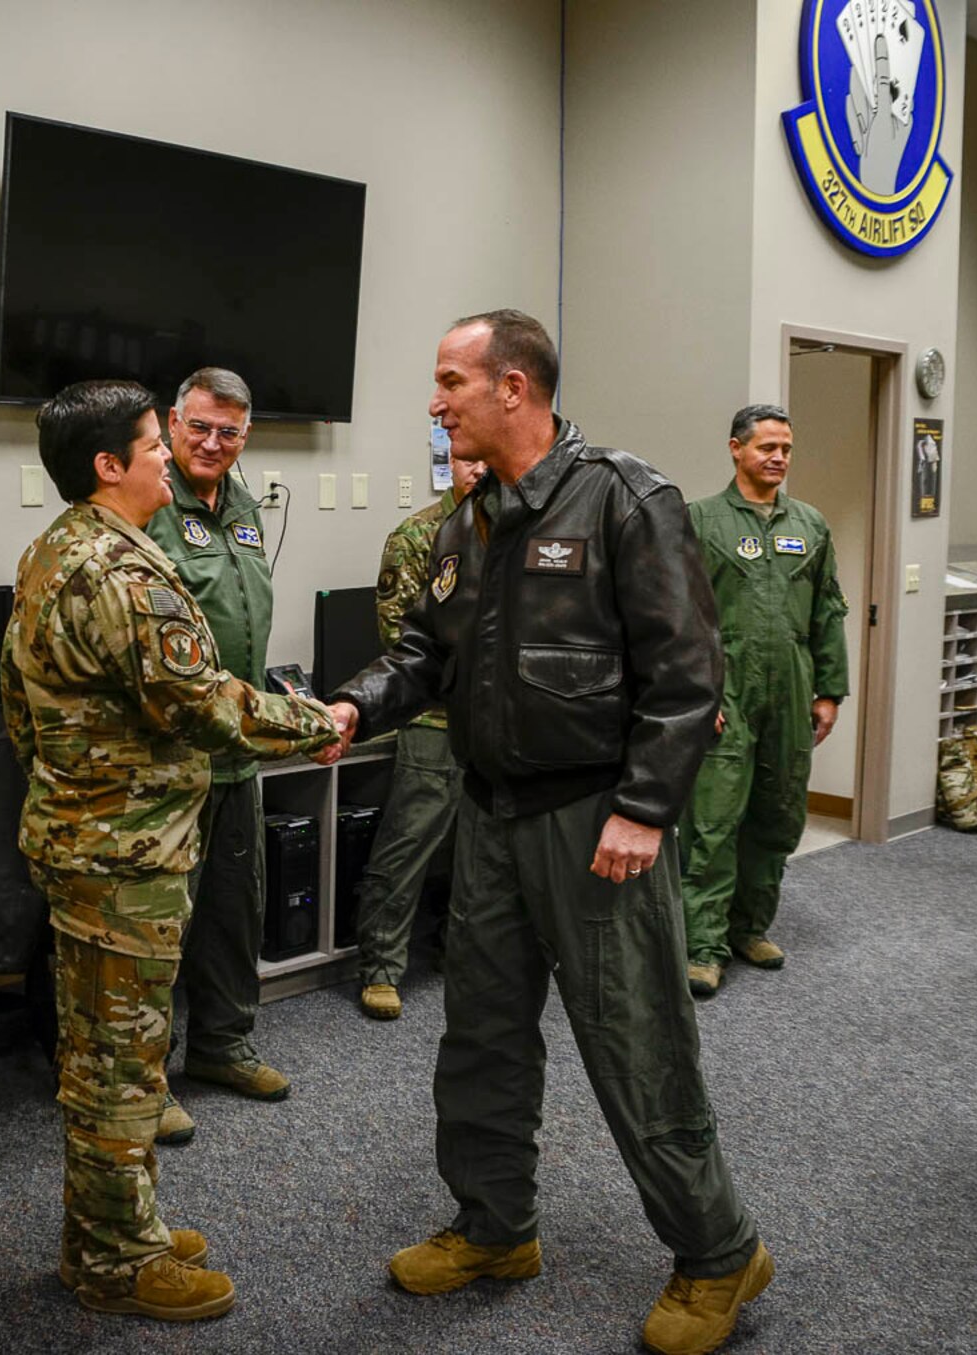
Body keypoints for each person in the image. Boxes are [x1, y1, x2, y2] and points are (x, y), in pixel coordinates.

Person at [327, 310, 771, 1355]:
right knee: (479, 1033)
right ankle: (494, 1227)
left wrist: (643, 806)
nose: (434, 401)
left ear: (512, 386)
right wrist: (352, 704)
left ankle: (718, 1251)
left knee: (635, 1042)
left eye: (450, 380)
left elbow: (686, 672)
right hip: (489, 812)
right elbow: (421, 656)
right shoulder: (464, 523)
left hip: (593, 818)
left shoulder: (623, 496)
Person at [0, 378, 343, 1322]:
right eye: (156, 444)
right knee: (121, 1064)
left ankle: (113, 1224)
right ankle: (115, 1260)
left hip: (87, 840)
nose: (169, 457)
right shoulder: (125, 574)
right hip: (125, 859)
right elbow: (203, 703)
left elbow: (20, 714)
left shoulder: (56, 550)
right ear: (110, 464)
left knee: (104, 1053)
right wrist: (311, 722)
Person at [141, 368, 281, 1144]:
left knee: (235, 910)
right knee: (166, 923)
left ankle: (223, 1045)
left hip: (240, 753)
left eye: (228, 431)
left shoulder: (245, 502)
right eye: (199, 427)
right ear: (172, 421)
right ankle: (148, 1074)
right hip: (176, 758)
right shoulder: (153, 502)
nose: (212, 443)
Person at [676, 405, 850, 998]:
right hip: (726, 692)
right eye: (766, 447)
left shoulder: (811, 524)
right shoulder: (700, 521)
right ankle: (703, 945)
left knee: (777, 817)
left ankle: (749, 927)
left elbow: (828, 610)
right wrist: (698, 691)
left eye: (786, 449)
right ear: (736, 449)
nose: (777, 458)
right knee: (713, 822)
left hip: (792, 692)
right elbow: (679, 618)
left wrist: (830, 690)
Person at [352, 453, 487, 1019]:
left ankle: (464, 955)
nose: (478, 469)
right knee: (408, 845)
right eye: (466, 459)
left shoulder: (525, 532)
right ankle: (381, 966)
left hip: (497, 725)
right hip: (435, 718)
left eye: (488, 458)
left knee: (481, 853)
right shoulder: (418, 536)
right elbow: (401, 635)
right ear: (448, 462)